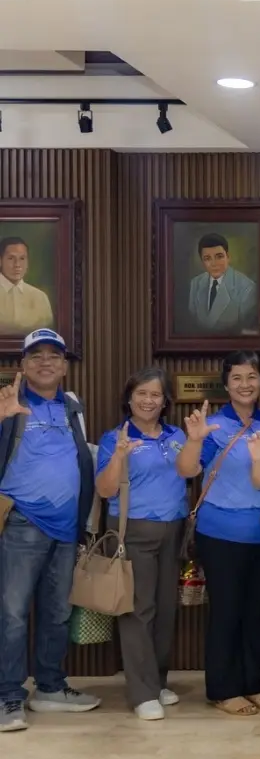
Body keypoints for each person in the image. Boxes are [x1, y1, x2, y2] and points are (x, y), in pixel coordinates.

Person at [175, 351, 260, 716]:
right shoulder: (213, 425)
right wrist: (194, 440)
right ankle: (223, 689)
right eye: (237, 377)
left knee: (257, 613)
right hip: (220, 533)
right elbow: (187, 470)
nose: (245, 384)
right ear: (226, 385)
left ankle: (253, 684)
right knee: (226, 612)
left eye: (252, 376)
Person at [0, 329, 98, 733]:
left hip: (67, 527)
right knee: (12, 614)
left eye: (54, 356)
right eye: (36, 355)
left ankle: (50, 688)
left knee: (57, 613)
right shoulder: (9, 402)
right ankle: (7, 696)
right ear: (23, 365)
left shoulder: (72, 406)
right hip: (22, 524)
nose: (45, 362)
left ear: (65, 366)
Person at [95, 367, 188, 721]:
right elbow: (105, 490)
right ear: (129, 399)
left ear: (165, 401)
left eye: (155, 394)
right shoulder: (114, 437)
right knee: (137, 611)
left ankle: (157, 682)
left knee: (165, 610)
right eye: (142, 394)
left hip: (174, 530)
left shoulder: (176, 435)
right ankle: (142, 692)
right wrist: (119, 456)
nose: (149, 400)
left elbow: (191, 471)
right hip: (133, 531)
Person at [187, 233, 258, 334]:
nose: (214, 263)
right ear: (202, 262)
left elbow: (244, 328)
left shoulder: (247, 288)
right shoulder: (195, 283)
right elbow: (192, 321)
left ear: (228, 257)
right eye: (207, 258)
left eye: (219, 257)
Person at [0, 237, 54, 334]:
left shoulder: (40, 297)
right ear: (0, 261)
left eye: (22, 258)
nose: (17, 264)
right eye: (11, 258)